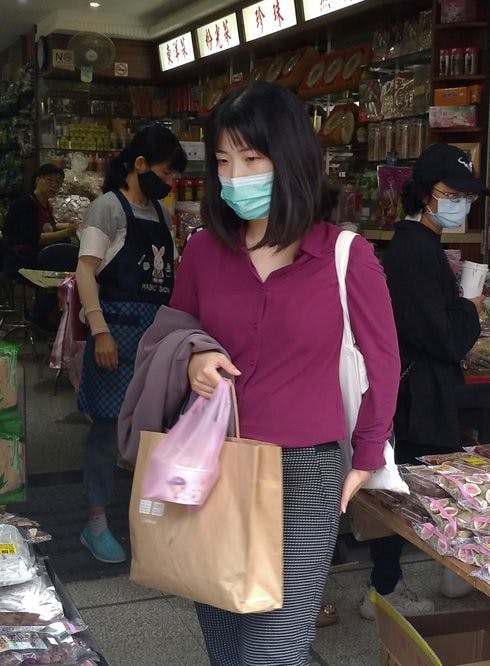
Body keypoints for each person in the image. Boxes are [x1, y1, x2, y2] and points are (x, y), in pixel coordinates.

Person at [169, 82, 399, 665]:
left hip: (307, 474)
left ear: (289, 160)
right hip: (215, 463)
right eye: (223, 161)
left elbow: (384, 362)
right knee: (224, 640)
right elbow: (171, 334)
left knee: (273, 648)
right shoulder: (203, 250)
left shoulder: (346, 255)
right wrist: (194, 357)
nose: (235, 175)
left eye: (251, 158)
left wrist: (367, 456)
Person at [360, 144, 486, 620]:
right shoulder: (415, 250)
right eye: (450, 193)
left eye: (466, 196)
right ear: (425, 194)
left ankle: (394, 583)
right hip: (414, 396)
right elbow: (442, 335)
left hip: (412, 390)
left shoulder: (420, 244)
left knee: (406, 487)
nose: (460, 204)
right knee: (404, 491)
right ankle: (384, 590)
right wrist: (469, 308)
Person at [75, 124, 186, 563]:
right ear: (138, 165)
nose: (171, 182)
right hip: (115, 334)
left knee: (155, 431)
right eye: (165, 172)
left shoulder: (161, 214)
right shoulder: (107, 209)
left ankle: (149, 520)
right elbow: (86, 272)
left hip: (155, 337)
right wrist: (100, 330)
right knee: (106, 431)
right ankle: (95, 520)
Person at [2, 163, 76, 328]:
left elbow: (48, 227)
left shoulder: (46, 205)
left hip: (36, 256)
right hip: (21, 260)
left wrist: (72, 227)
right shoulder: (25, 205)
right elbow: (34, 238)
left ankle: (44, 315)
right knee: (67, 270)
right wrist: (65, 233)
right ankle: (39, 316)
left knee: (67, 266)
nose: (54, 185)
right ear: (37, 180)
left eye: (57, 182)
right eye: (49, 180)